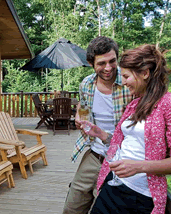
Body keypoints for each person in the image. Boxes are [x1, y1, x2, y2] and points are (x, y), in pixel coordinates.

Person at [82, 44, 171, 214]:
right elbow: (125, 142)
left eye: (127, 76)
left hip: (138, 196)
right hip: (112, 185)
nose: (124, 81)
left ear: (145, 73)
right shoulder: (135, 104)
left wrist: (138, 167)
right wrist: (99, 133)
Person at [62, 36, 133, 214]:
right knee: (72, 206)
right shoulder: (86, 84)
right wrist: (79, 112)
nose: (108, 68)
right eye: (102, 63)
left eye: (112, 61)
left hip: (120, 159)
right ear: (91, 63)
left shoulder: (129, 84)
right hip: (93, 153)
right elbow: (83, 103)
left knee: (101, 208)